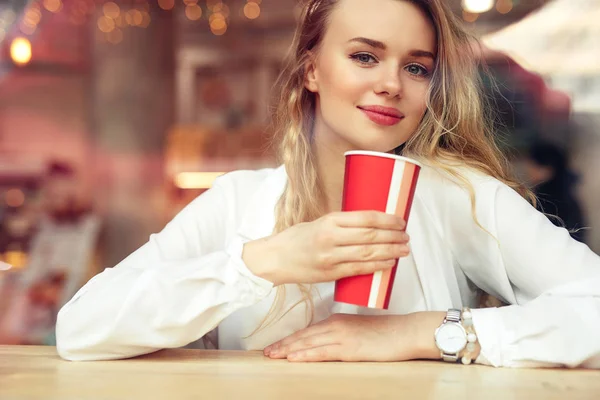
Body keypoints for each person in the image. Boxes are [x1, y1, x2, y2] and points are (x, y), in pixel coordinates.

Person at [56, 0, 600, 368]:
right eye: (365, 56)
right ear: (312, 70)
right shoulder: (239, 203)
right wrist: (260, 263)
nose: (390, 84)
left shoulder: (457, 197)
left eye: (416, 68)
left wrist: (424, 332)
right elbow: (80, 329)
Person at [524, 141, 587, 242]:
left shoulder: (546, 199)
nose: (528, 171)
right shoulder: (566, 195)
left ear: (546, 169)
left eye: (532, 166)